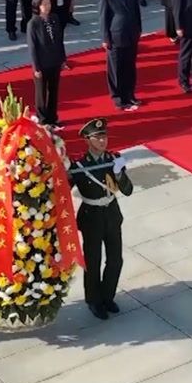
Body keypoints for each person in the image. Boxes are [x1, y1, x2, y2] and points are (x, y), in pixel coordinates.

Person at [69, 117, 133, 320]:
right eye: (97, 138)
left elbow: (128, 190)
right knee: (93, 261)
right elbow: (63, 190)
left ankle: (107, 296)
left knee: (115, 260)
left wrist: (120, 174)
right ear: (87, 140)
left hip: (112, 213)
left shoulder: (113, 159)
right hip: (91, 217)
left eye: (104, 136)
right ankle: (94, 300)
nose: (103, 141)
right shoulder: (79, 165)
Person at [100, 0, 143, 111]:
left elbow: (136, 10)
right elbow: (103, 17)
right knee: (116, 69)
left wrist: (139, 29)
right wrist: (106, 38)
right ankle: (118, 98)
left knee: (130, 67)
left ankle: (130, 94)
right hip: (115, 36)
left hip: (131, 33)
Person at [27, 0, 66, 128]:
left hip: (54, 61)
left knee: (53, 90)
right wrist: (36, 67)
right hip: (42, 63)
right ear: (38, 6)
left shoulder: (54, 18)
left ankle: (52, 117)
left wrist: (62, 59)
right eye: (44, 4)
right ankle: (43, 119)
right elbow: (32, 47)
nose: (47, 7)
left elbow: (60, 40)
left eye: (48, 3)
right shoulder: (33, 23)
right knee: (41, 93)